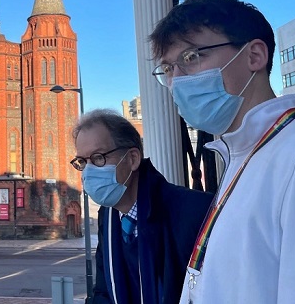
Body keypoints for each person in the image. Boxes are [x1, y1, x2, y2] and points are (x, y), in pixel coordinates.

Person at [149, 0, 295, 303]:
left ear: (254, 56)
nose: (177, 81)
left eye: (192, 57)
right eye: (168, 69)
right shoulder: (241, 152)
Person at [73, 109, 213, 304]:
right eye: (82, 161)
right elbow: (103, 292)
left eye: (98, 158)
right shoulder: (109, 217)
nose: (88, 172)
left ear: (132, 159)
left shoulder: (196, 212)